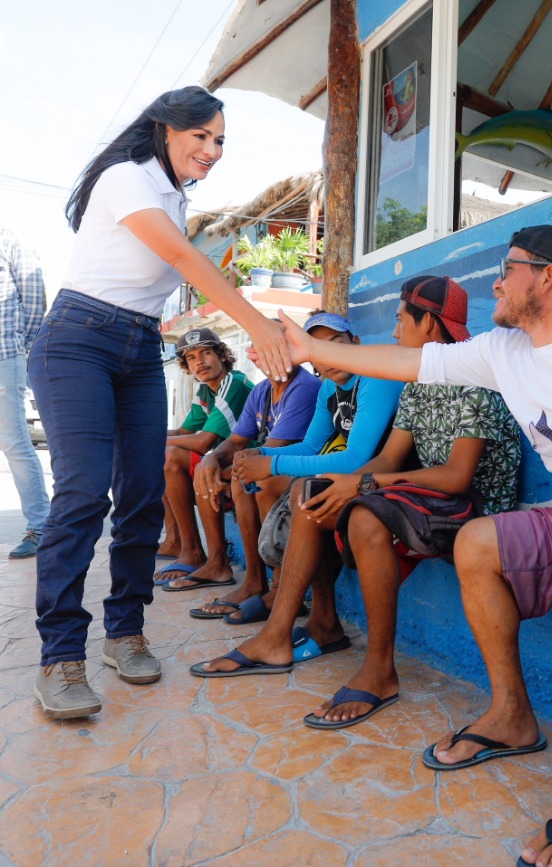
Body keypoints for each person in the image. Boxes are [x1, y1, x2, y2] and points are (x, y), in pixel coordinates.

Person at [275, 226, 552, 867]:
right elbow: (408, 363)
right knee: (479, 543)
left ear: (545, 275)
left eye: (507, 268)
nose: (494, 280)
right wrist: (304, 346)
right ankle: (513, 714)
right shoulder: (501, 351)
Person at [27, 86, 293, 720]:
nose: (212, 150)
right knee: (86, 493)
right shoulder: (125, 177)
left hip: (139, 347)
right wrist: (256, 325)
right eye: (200, 136)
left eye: (220, 140)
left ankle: (125, 633)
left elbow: (179, 264)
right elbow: (178, 256)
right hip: (78, 342)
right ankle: (60, 657)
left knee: (143, 493)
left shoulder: (174, 198)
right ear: (164, 131)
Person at [194, 279, 521, 728]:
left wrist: (363, 484)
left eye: (401, 322)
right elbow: (388, 457)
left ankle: (380, 670)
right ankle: (277, 635)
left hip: (472, 502)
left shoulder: (472, 378)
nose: (394, 334)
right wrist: (352, 481)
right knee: (316, 493)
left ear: (428, 324)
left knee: (365, 514)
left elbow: (456, 476)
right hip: (426, 492)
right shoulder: (419, 378)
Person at [198, 310, 403, 625]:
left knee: (299, 491)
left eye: (337, 343)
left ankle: (310, 611)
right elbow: (311, 445)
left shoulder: (373, 376)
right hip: (354, 477)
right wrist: (258, 454)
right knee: (272, 481)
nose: (331, 356)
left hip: (381, 477)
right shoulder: (327, 388)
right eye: (321, 349)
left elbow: (355, 459)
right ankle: (281, 589)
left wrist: (273, 462)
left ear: (356, 342)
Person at [183, 328, 321, 604]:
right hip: (274, 463)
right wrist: (211, 460)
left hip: (302, 467)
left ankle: (267, 582)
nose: (271, 356)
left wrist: (228, 465)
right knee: (209, 471)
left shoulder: (304, 386)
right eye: (263, 350)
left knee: (243, 477)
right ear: (254, 357)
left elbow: (278, 447)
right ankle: (231, 568)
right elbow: (235, 441)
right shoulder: (262, 390)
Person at [154, 328, 253, 589]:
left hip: (248, 465)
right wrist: (140, 435)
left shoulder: (234, 382)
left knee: (171, 455)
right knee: (161, 454)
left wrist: (150, 443)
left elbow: (202, 441)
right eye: (191, 358)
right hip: (227, 464)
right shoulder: (206, 392)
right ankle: (177, 541)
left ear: (222, 356)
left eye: (206, 353)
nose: (200, 361)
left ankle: (195, 552)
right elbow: (183, 432)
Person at [0, 227, 50, 559]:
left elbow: (34, 298)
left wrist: (22, 345)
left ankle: (41, 526)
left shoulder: (11, 239)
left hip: (4, 353)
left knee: (14, 441)